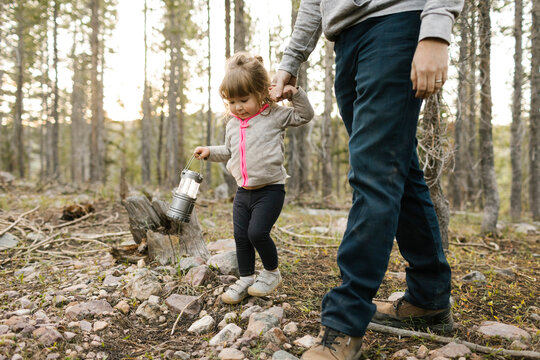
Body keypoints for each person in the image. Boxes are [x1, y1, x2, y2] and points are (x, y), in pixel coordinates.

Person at [270, 0, 463, 359]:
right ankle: (429, 298)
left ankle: (344, 323)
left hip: (398, 23)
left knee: (373, 174)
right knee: (397, 170)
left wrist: (436, 28)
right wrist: (290, 61)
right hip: (346, 40)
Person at [194, 52, 314, 305]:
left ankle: (272, 273)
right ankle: (246, 278)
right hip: (243, 191)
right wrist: (209, 152)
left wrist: (295, 94)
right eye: (232, 101)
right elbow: (228, 151)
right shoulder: (232, 125)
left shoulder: (274, 115)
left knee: (257, 232)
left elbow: (304, 116)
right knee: (241, 236)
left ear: (261, 92)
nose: (237, 107)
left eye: (244, 99)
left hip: (270, 189)